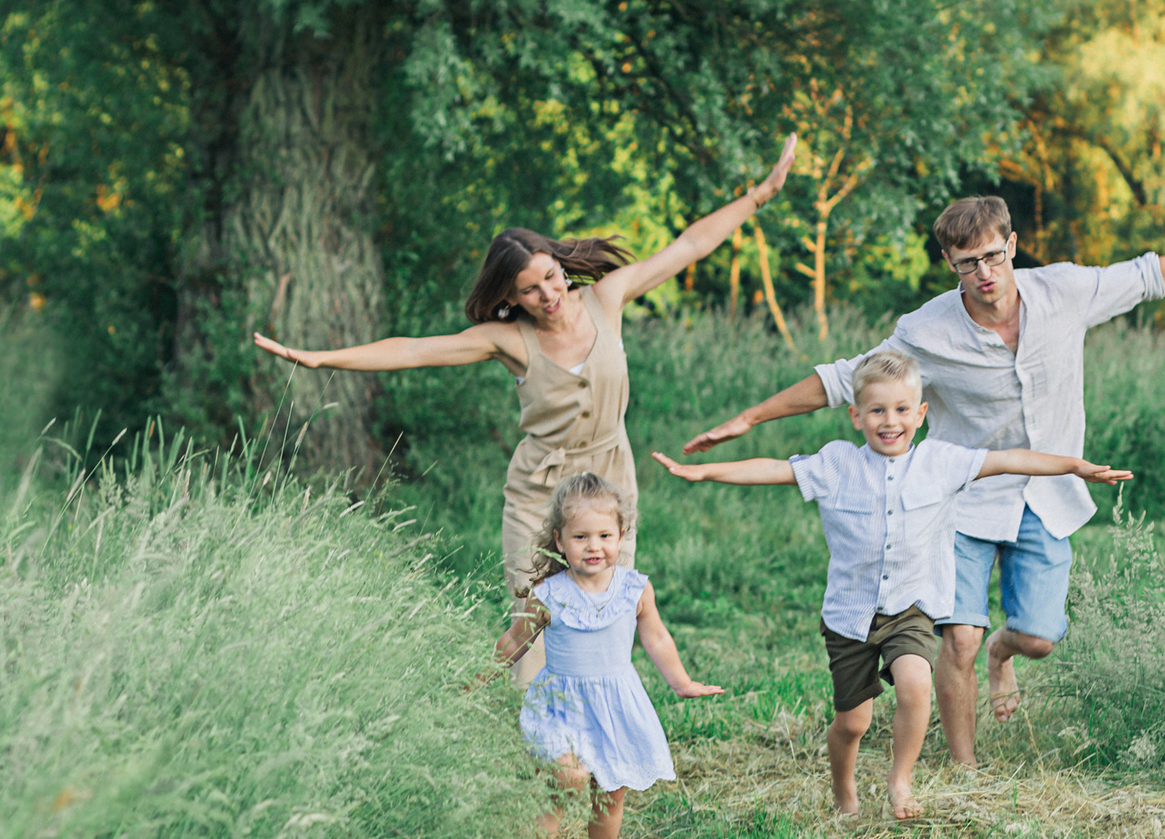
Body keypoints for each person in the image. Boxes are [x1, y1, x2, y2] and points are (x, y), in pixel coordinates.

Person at [681, 195, 1165, 763]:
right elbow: (845, 380)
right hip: (961, 497)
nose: (983, 272)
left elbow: (1149, 275)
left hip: (1045, 492)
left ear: (1013, 246)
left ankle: (1006, 652)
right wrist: (749, 417)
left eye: (993, 256)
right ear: (950, 264)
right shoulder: (926, 330)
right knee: (959, 640)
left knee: (1039, 638)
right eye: (966, 262)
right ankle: (964, 766)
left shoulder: (1064, 291)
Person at [255, 133, 797, 686]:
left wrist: (760, 194)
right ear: (512, 298)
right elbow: (413, 351)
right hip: (540, 489)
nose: (549, 294)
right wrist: (318, 358)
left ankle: (598, 731)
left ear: (561, 266)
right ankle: (545, 740)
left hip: (610, 482)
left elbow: (689, 246)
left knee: (607, 612)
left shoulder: (605, 299)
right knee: (534, 618)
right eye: (531, 289)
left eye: (551, 276)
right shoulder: (508, 339)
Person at [653, 349, 1130, 819]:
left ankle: (900, 782)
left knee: (915, 685)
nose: (890, 420)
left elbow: (1007, 458)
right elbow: (774, 469)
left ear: (921, 414)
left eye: (902, 409)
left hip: (911, 608)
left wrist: (1073, 466)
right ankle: (844, 790)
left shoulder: (939, 463)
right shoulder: (837, 464)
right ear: (855, 415)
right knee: (852, 723)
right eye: (877, 410)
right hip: (850, 616)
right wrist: (703, 472)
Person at [516, 474, 724, 839]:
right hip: (562, 703)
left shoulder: (634, 589)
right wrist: (482, 675)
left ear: (622, 534)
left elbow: (658, 639)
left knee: (610, 794)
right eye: (581, 537)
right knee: (571, 774)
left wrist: (681, 682)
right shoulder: (548, 593)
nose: (594, 546)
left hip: (615, 703)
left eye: (604, 535)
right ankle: (548, 814)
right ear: (559, 541)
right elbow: (514, 641)